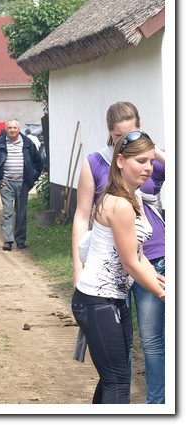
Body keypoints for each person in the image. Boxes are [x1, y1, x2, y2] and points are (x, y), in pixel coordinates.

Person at [72, 101, 166, 403]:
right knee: (117, 382)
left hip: (111, 300)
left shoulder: (132, 196)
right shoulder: (120, 203)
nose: (149, 168)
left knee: (114, 378)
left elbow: (139, 256)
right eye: (141, 161)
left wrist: (162, 286)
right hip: (98, 300)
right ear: (121, 160)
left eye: (150, 161)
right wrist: (166, 293)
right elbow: (131, 262)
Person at [0, 118, 42, 251]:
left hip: (23, 183)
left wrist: (31, 180)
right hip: (6, 183)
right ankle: (8, 241)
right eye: (9, 128)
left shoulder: (27, 143)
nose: (12, 130)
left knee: (21, 212)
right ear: (6, 129)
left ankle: (20, 240)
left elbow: (37, 163)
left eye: (14, 128)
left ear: (19, 128)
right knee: (7, 213)